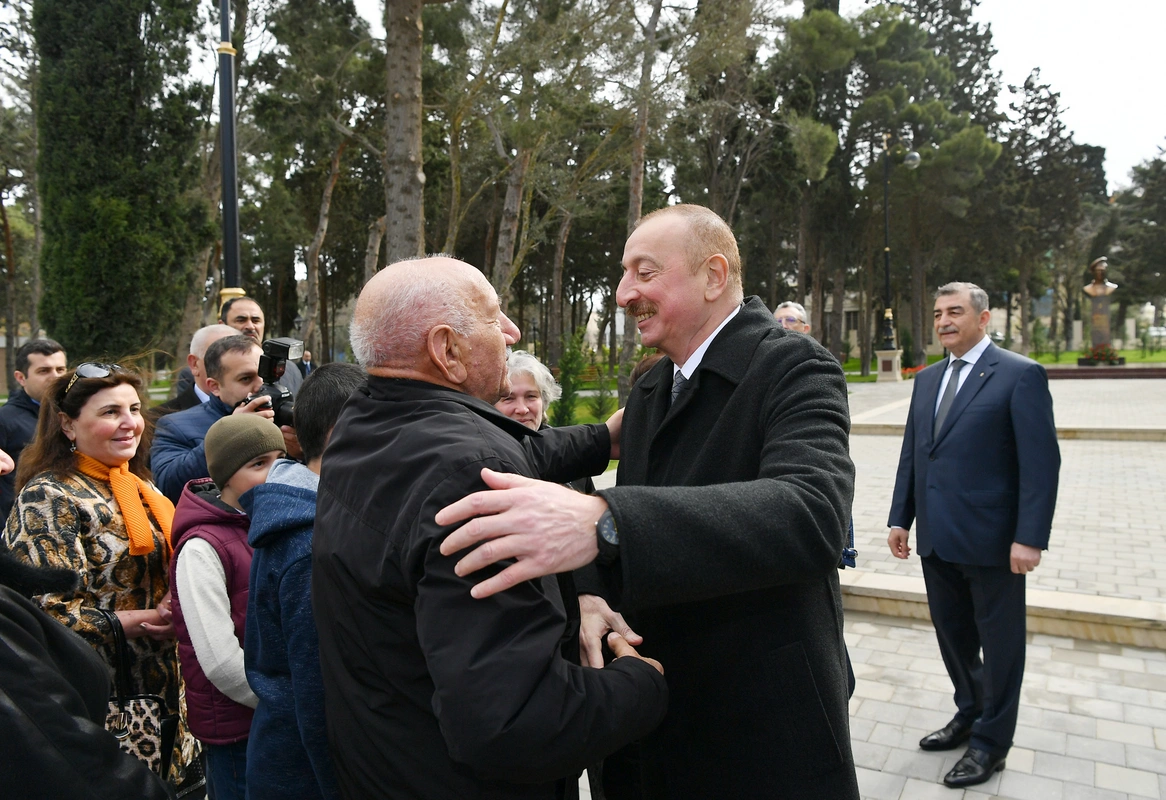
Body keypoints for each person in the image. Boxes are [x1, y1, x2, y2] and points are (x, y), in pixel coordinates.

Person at [435, 205, 859, 799]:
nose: (621, 293)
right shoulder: (656, 384)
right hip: (657, 710)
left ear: (714, 276)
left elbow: (812, 514)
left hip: (758, 723)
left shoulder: (793, 365)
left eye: (644, 272)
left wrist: (608, 522)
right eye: (623, 273)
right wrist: (588, 590)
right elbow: (623, 516)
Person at [311, 256, 668, 799]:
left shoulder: (365, 425)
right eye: (494, 315)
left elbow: (490, 446)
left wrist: (601, 439)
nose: (512, 332)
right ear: (446, 350)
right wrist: (640, 684)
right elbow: (515, 724)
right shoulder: (466, 475)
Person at [886, 282, 1059, 788]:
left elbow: (1041, 465)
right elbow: (914, 454)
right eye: (938, 312)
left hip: (993, 542)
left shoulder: (1020, 375)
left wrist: (1030, 537)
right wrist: (902, 517)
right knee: (953, 637)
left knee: (1001, 647)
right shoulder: (928, 379)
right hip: (937, 539)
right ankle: (970, 711)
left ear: (983, 319)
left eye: (954, 311)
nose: (943, 320)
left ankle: (991, 743)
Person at [1, 363, 201, 791]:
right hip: (104, 706)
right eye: (111, 412)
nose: (130, 422)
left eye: (134, 408)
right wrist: (147, 618)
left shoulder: (141, 486)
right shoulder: (48, 496)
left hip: (170, 697)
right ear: (68, 425)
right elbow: (45, 617)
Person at [243, 362, 365, 800]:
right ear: (343, 433)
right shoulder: (311, 543)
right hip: (306, 775)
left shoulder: (306, 509)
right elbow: (316, 696)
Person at [0, 538, 174, 800]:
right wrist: (157, 619)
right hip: (114, 721)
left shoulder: (148, 497)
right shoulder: (47, 496)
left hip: (161, 700)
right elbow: (53, 744)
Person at [170, 415, 287, 800]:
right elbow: (220, 662)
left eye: (279, 459)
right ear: (225, 476)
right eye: (258, 464)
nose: (275, 472)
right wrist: (284, 700)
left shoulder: (271, 522)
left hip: (278, 716)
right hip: (240, 727)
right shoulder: (201, 548)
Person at [152, 334, 278, 503]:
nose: (259, 386)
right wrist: (231, 432)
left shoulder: (279, 414)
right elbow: (168, 487)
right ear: (215, 387)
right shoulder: (174, 426)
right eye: (246, 379)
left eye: (264, 376)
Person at [0, 338, 67, 520]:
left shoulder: (76, 415)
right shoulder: (5, 420)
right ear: (21, 378)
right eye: (44, 371)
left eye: (60, 369)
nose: (56, 377)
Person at [152, 324, 237, 421]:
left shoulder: (256, 410)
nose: (233, 367)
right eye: (218, 358)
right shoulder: (158, 420)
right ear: (194, 364)